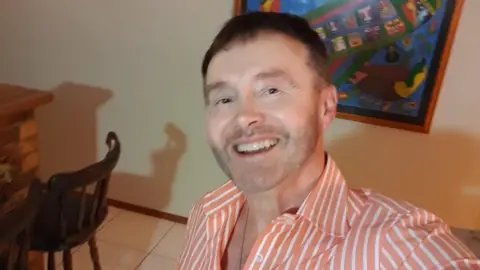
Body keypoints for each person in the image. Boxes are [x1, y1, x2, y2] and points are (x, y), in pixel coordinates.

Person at [178, 12, 480, 269]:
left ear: (326, 106)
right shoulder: (207, 212)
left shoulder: (401, 249)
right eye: (224, 98)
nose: (243, 117)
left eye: (271, 90)